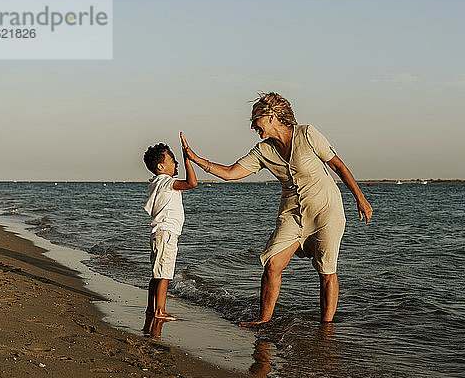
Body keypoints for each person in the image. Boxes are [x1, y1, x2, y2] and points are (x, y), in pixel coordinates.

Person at [181, 92, 372, 325]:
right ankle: (264, 319)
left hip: (326, 211)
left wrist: (360, 198)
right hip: (292, 214)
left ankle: (327, 327)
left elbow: (338, 166)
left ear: (271, 117)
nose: (252, 126)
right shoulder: (263, 151)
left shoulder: (307, 134)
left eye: (255, 120)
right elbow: (231, 173)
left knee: (326, 270)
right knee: (272, 263)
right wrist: (196, 159)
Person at [142, 133, 197, 326]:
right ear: (161, 166)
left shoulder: (157, 183)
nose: (175, 162)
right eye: (172, 159)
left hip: (159, 233)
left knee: (157, 274)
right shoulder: (165, 182)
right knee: (164, 273)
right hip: (166, 233)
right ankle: (160, 310)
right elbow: (192, 183)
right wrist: (188, 160)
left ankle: (151, 308)